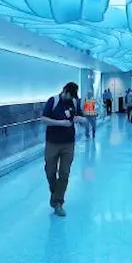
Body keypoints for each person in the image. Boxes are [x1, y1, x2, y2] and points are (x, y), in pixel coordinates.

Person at [41, 81, 82, 216]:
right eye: (69, 96)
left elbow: (81, 116)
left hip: (68, 143)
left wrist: (80, 119)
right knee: (50, 171)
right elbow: (43, 119)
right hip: (52, 143)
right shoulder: (53, 101)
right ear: (64, 91)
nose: (71, 99)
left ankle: (58, 202)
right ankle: (55, 193)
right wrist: (60, 123)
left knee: (64, 173)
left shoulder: (74, 102)